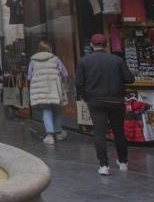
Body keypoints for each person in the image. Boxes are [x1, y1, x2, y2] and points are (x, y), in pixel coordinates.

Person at [76, 33, 135, 175]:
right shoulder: (117, 60)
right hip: (116, 100)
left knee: (99, 132)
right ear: (106, 45)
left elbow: (79, 84)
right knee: (119, 132)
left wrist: (86, 97)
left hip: (95, 101)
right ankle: (123, 162)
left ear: (91, 45)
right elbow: (129, 79)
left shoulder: (84, 61)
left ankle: (103, 165)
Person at [27, 40, 69, 145]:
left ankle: (50, 136)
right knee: (57, 110)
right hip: (54, 89)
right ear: (49, 49)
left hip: (40, 90)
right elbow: (65, 73)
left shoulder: (33, 61)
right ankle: (59, 132)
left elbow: (29, 76)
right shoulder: (55, 59)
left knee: (46, 111)